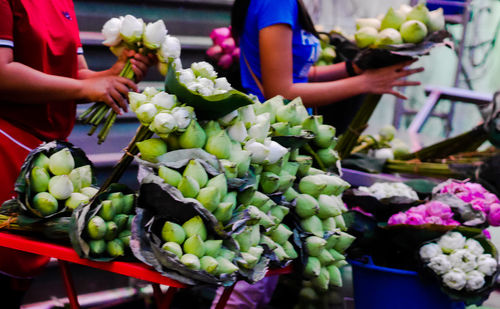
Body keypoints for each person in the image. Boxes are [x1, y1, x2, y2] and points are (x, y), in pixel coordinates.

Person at [211, 0, 424, 308]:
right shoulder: (276, 2)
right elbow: (280, 90)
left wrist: (353, 68)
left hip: (281, 147)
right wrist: (365, 83)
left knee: (263, 268)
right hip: (268, 150)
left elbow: (297, 72)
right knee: (250, 274)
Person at [0, 0, 155, 307]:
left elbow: (76, 73)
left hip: (44, 164)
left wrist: (112, 75)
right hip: (5, 150)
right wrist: (86, 90)